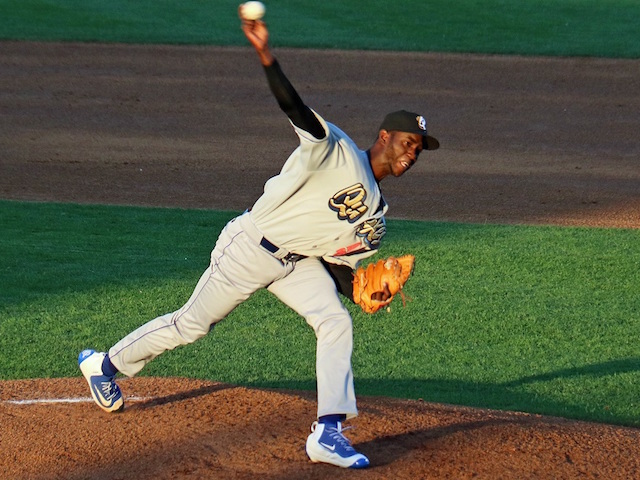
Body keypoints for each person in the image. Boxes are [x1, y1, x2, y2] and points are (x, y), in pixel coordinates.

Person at [78, 18, 439, 469]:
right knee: (192, 324)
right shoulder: (336, 148)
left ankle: (328, 433)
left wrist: (364, 289)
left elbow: (333, 263)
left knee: (334, 321)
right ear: (385, 137)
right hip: (251, 247)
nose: (411, 153)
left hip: (296, 264)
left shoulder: (377, 216)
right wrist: (267, 55)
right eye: (408, 142)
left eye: (419, 149)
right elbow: (296, 107)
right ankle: (105, 366)